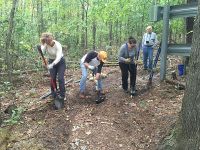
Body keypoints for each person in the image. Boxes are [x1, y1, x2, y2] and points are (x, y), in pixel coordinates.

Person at [40, 32, 66, 109]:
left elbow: (58, 57)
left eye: (49, 41)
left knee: (60, 78)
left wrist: (51, 65)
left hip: (60, 62)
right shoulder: (45, 44)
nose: (48, 43)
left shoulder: (58, 45)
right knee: (52, 78)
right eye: (46, 41)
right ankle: (54, 94)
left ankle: (62, 95)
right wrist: (44, 61)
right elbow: (42, 51)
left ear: (51, 39)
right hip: (51, 61)